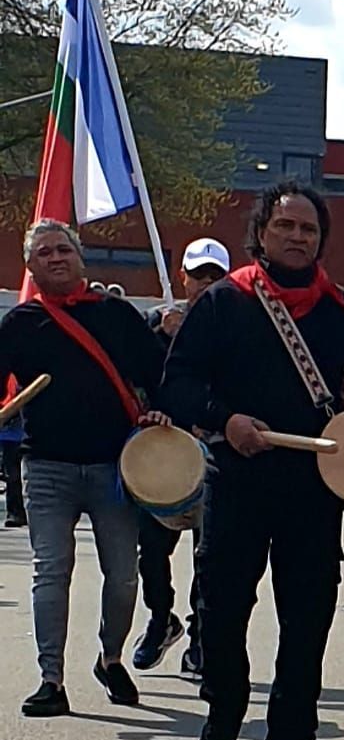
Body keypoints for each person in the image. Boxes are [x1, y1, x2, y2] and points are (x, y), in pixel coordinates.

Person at [161, 181, 344, 740]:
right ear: (262, 234)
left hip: (314, 489)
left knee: (308, 619)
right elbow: (176, 385)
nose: (297, 237)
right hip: (238, 479)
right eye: (286, 227)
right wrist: (227, 420)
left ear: (321, 239)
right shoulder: (223, 303)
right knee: (219, 612)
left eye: (308, 229)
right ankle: (225, 705)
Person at [0, 220, 169, 716]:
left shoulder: (116, 315)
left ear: (80, 257)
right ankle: (50, 678)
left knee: (122, 577)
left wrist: (162, 411)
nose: (56, 258)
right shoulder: (21, 324)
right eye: (45, 253)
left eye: (63, 249)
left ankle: (110, 657)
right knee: (51, 571)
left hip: (113, 468)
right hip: (46, 466)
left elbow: (161, 373)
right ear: (31, 267)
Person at [132, 238, 232, 677]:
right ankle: (160, 618)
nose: (205, 285)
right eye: (199, 276)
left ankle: (200, 640)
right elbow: (139, 381)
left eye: (215, 277)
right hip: (165, 457)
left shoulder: (238, 329)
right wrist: (160, 338)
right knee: (151, 553)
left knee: (209, 560)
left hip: (215, 456)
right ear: (183, 278)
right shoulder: (156, 327)